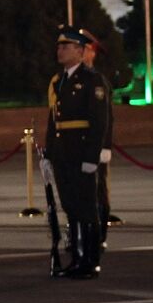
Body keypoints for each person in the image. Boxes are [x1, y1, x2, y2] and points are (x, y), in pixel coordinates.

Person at [43, 26, 109, 280]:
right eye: (59, 46)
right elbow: (54, 121)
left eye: (66, 47)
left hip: (81, 153)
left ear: (81, 51)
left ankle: (90, 261)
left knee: (86, 209)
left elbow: (99, 122)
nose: (60, 50)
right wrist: (49, 154)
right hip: (63, 155)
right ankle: (77, 258)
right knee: (71, 208)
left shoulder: (93, 80)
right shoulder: (60, 81)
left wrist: (92, 157)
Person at [80, 29, 118, 230]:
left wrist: (104, 147)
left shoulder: (97, 81)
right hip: (75, 147)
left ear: (92, 53)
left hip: (94, 146)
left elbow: (105, 118)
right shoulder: (68, 80)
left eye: (84, 49)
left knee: (98, 191)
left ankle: (99, 233)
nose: (80, 53)